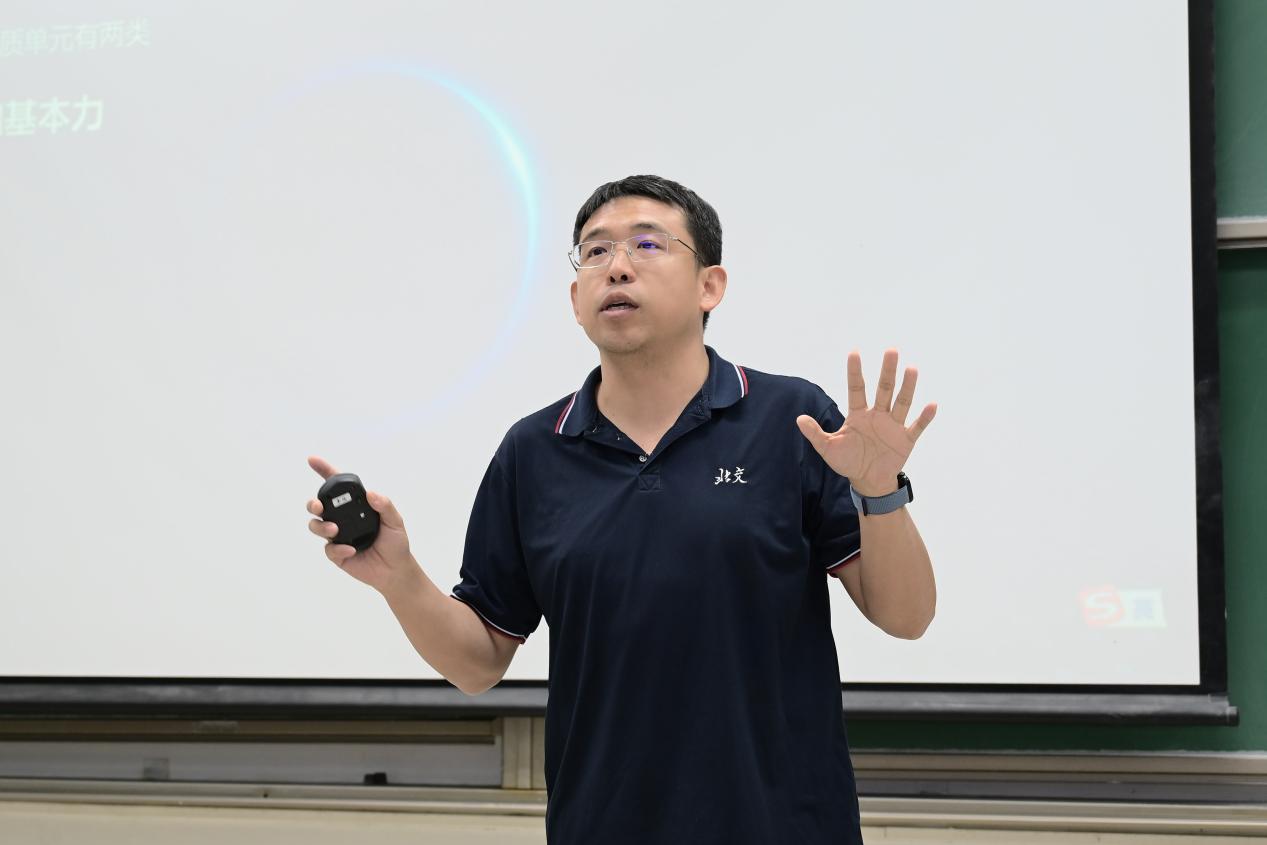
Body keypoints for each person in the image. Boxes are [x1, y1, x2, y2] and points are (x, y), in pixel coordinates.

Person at [306, 174, 938, 844]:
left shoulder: (792, 419)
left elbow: (906, 617)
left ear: (710, 286)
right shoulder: (533, 451)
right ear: (575, 300)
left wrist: (878, 491)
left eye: (648, 244)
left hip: (784, 825)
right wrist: (399, 577)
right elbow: (478, 661)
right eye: (595, 251)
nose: (617, 266)